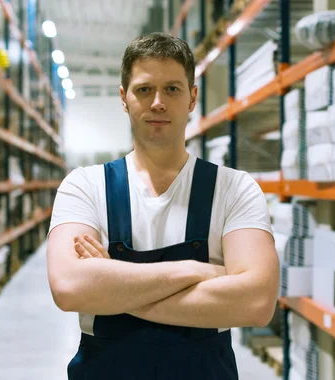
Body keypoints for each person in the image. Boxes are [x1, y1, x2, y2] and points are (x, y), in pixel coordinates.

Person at [46, 32, 280, 380]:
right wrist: (197, 272)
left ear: (192, 98)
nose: (157, 102)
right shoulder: (84, 186)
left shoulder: (233, 188)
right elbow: (69, 288)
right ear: (124, 98)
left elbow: (257, 303)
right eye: (144, 89)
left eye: (172, 88)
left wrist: (113, 286)